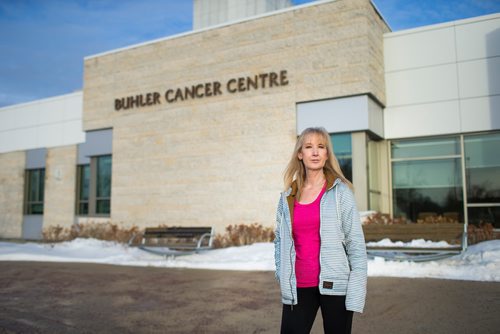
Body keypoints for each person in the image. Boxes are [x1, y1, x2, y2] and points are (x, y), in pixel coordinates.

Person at [274, 127, 367, 334]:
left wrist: (356, 291)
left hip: (336, 285)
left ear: (326, 154)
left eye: (321, 147)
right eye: (308, 147)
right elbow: (279, 240)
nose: (315, 152)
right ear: (300, 154)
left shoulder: (341, 193)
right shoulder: (288, 197)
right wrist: (283, 273)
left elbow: (356, 244)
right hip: (298, 286)